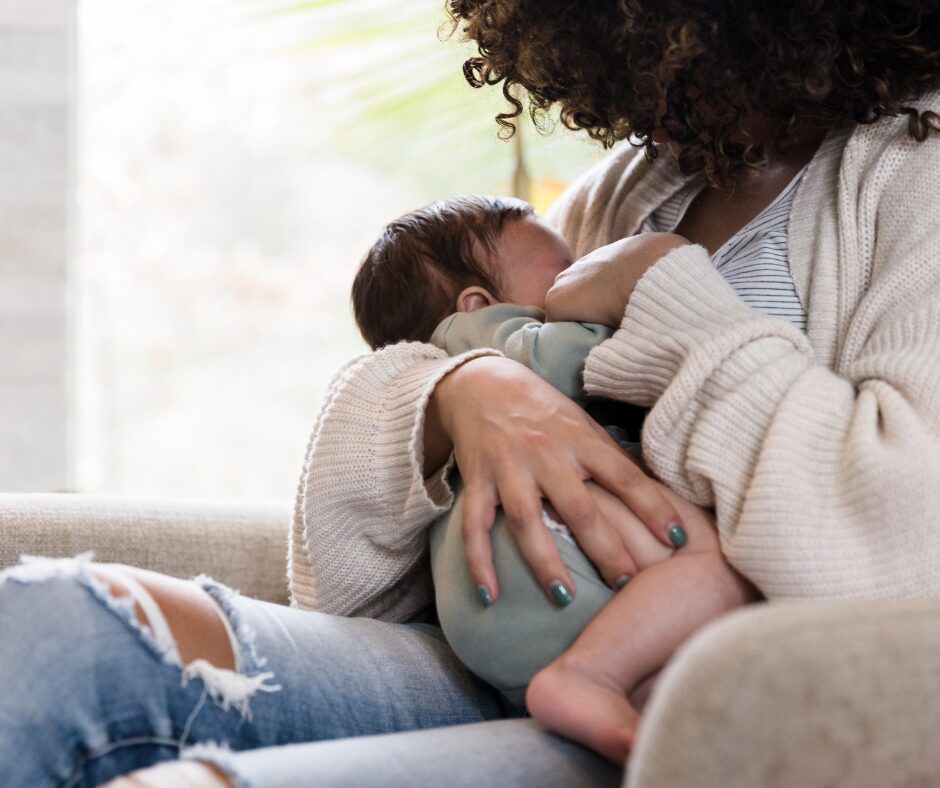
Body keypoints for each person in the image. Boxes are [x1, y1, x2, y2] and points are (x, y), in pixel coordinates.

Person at [1, 1, 939, 785]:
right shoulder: (643, 180)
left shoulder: (915, 166)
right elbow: (345, 579)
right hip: (495, 662)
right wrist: (462, 390)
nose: (618, 116)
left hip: (692, 709)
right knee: (52, 631)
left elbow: (902, 546)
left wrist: (666, 290)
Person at [349, 194, 756, 760]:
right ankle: (588, 675)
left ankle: (601, 691)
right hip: (540, 565)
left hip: (489, 612)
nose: (579, 277)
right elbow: (581, 358)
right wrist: (634, 287)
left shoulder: (456, 362)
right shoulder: (490, 340)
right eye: (564, 272)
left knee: (666, 711)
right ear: (478, 303)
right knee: (722, 565)